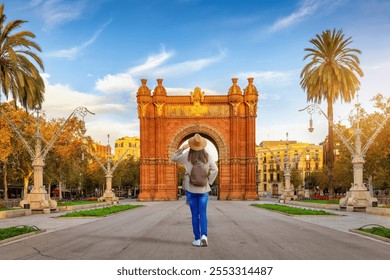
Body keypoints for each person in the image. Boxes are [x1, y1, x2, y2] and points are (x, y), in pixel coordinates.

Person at [171, 134, 218, 247]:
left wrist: (182, 148)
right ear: (203, 146)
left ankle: (197, 239)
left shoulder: (187, 156)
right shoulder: (208, 156)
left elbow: (173, 158)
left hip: (191, 189)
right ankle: (204, 236)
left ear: (192, 145)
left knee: (194, 215)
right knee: (203, 213)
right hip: (203, 189)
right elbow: (215, 170)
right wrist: (208, 182)